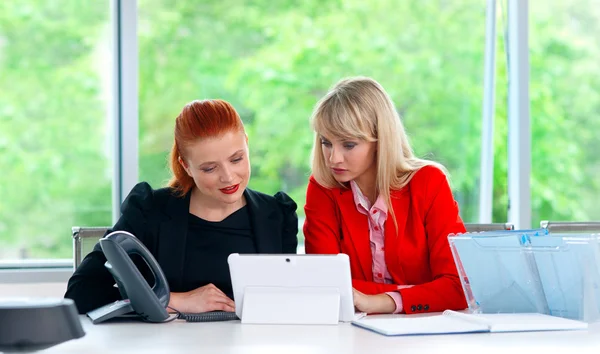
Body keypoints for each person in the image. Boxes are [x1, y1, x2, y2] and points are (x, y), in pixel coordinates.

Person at [65, 99, 298, 314]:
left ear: (246, 144)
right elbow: (81, 292)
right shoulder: (149, 211)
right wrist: (170, 299)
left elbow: (290, 301)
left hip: (253, 352)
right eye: (209, 168)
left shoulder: (277, 216)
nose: (228, 177)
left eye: (236, 159)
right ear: (186, 166)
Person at [303, 77, 467, 315]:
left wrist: (382, 301)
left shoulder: (429, 182)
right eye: (326, 143)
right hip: (353, 334)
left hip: (427, 335)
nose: (333, 158)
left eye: (349, 145)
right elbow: (324, 284)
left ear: (381, 141)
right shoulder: (323, 188)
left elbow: (458, 287)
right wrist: (419, 292)